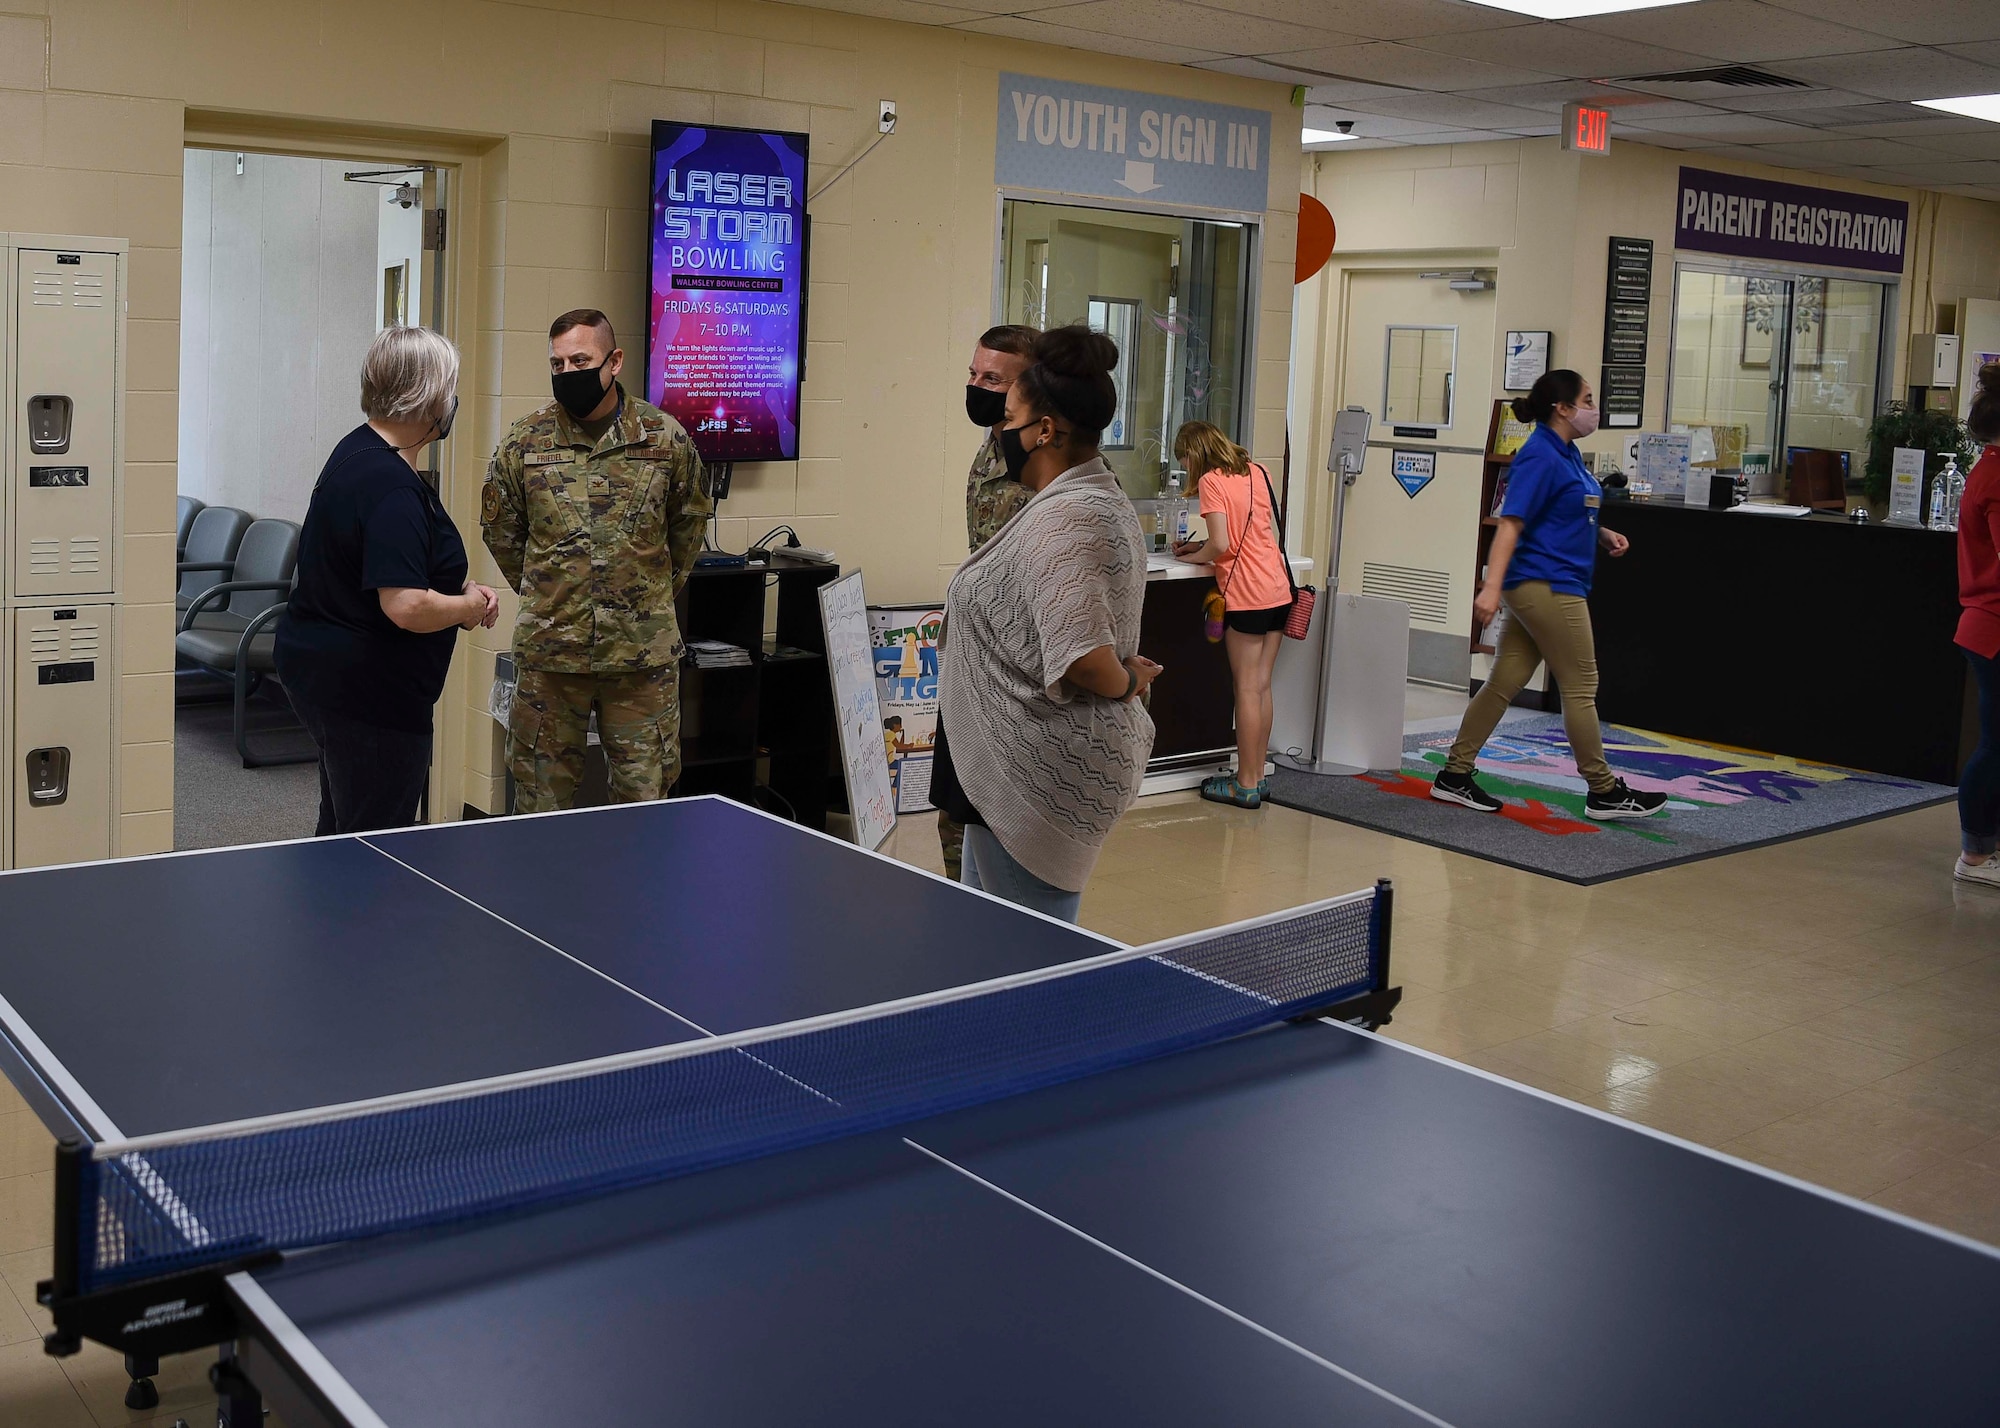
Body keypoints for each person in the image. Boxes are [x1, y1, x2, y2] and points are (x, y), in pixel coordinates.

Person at [934, 326, 1160, 921]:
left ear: (1046, 430)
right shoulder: (1063, 502)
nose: (1001, 430)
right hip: (1002, 751)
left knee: (1023, 961)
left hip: (1036, 767)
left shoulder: (1069, 519)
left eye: (1009, 415)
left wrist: (1129, 683)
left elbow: (1085, 658)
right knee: (987, 942)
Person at [482, 309, 711, 811]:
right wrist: (553, 591)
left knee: (645, 800)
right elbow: (502, 533)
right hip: (551, 655)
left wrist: (644, 595)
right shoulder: (525, 442)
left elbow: (689, 526)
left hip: (640, 660)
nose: (568, 374)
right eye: (558, 364)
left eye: (580, 360)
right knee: (542, 802)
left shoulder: (664, 439)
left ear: (615, 361)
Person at [276, 326, 500, 835]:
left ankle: (326, 912)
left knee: (344, 822)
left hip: (328, 678)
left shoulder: (355, 452)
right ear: (431, 398)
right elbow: (406, 605)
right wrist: (468, 606)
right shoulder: (390, 487)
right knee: (376, 838)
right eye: (449, 389)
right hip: (370, 694)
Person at [1430, 369, 1666, 820]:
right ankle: (1603, 791)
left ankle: (1454, 775)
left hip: (1544, 581)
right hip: (1548, 585)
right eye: (1588, 399)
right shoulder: (1539, 454)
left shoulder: (1567, 452)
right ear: (1563, 408)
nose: (1594, 408)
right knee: (1581, 686)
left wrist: (1603, 534)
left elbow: (1565, 511)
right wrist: (1490, 587)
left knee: (1504, 681)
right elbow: (1511, 523)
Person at [939, 322, 1041, 881]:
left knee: (1002, 834)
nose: (977, 387)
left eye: (993, 379)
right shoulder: (991, 447)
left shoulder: (1051, 467)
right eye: (974, 374)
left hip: (1020, 686)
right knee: (956, 821)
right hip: (973, 667)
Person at [1171, 420, 1291, 809]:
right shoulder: (1259, 471)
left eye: (1185, 458)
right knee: (1262, 685)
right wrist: (1200, 548)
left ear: (1195, 453)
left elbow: (1223, 545)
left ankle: (1244, 784)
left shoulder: (1211, 481)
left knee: (1244, 688)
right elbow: (1250, 533)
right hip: (1277, 588)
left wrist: (1197, 552)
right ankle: (1257, 776)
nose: (1186, 466)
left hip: (1247, 593)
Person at [1953, 364, 2000, 888]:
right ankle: (1976, 856)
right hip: (1993, 625)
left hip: (1986, 621)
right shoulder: (1996, 475)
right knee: (1995, 743)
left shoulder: (1988, 466)